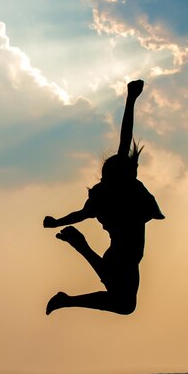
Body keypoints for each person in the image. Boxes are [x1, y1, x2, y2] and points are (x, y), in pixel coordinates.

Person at [44, 79, 164, 316]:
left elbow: (125, 138)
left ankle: (76, 264)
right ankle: (80, 248)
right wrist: (131, 99)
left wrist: (57, 222)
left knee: (123, 303)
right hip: (124, 257)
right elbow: (125, 138)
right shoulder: (122, 190)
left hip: (121, 257)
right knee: (125, 304)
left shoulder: (113, 191)